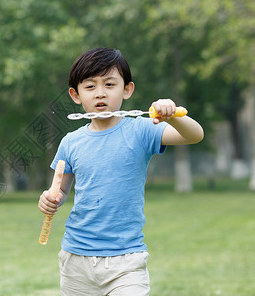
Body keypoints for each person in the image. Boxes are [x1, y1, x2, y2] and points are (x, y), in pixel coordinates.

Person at [38, 47, 204, 295]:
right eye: (90, 86)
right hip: (76, 258)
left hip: (126, 260)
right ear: (75, 95)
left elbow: (194, 135)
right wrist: (50, 200)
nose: (100, 93)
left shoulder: (142, 130)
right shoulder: (70, 142)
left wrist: (172, 116)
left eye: (110, 84)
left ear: (127, 89)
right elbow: (59, 189)